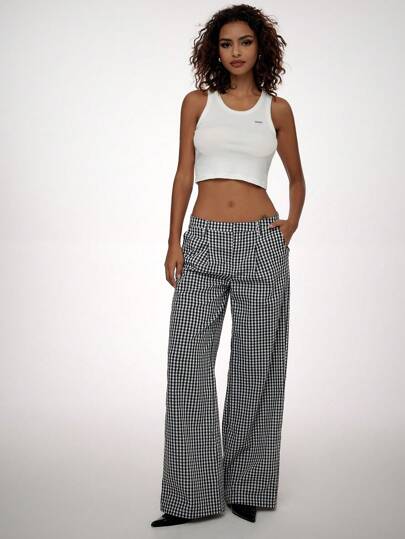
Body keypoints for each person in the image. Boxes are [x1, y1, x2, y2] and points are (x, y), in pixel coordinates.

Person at [151, 3, 305, 527]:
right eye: (225, 43)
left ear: (261, 47)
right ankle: (191, 497)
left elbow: (298, 178)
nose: (235, 52)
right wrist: (173, 241)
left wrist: (289, 225)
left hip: (261, 243)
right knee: (187, 364)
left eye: (244, 41)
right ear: (214, 51)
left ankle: (246, 486)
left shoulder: (277, 110)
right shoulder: (198, 103)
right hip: (203, 241)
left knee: (256, 365)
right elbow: (182, 174)